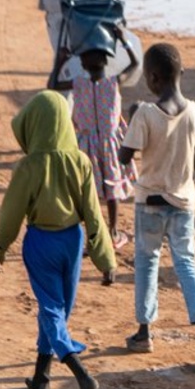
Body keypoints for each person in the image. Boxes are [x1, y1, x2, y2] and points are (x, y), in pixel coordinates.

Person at [0, 91, 116, 389]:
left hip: (41, 243)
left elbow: (12, 212)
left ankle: (81, 374)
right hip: (72, 243)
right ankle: (41, 375)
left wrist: (0, 246)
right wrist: (105, 259)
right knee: (58, 309)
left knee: (51, 310)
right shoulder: (81, 161)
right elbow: (93, 213)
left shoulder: (29, 165)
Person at [118, 44, 195, 369]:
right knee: (186, 264)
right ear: (182, 74)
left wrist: (132, 120)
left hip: (149, 201)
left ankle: (144, 332)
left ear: (152, 78)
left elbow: (124, 156)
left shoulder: (145, 113)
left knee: (147, 263)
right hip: (183, 202)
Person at [52, 26, 138, 251]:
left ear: (81, 63)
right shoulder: (114, 82)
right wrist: (123, 41)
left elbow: (53, 84)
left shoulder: (77, 84)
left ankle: (92, 235)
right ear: (107, 60)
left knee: (85, 192)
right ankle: (112, 230)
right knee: (112, 190)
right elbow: (135, 64)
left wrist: (60, 61)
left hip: (86, 145)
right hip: (111, 145)